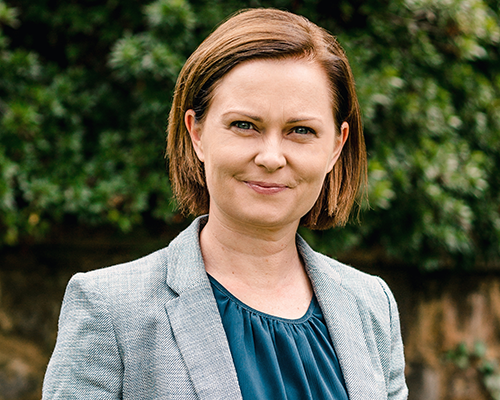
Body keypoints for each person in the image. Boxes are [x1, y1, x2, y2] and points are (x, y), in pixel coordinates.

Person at [43, 8, 408, 400]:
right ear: (196, 132)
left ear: (336, 145)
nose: (271, 157)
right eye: (245, 126)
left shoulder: (371, 306)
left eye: (300, 130)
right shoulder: (110, 310)